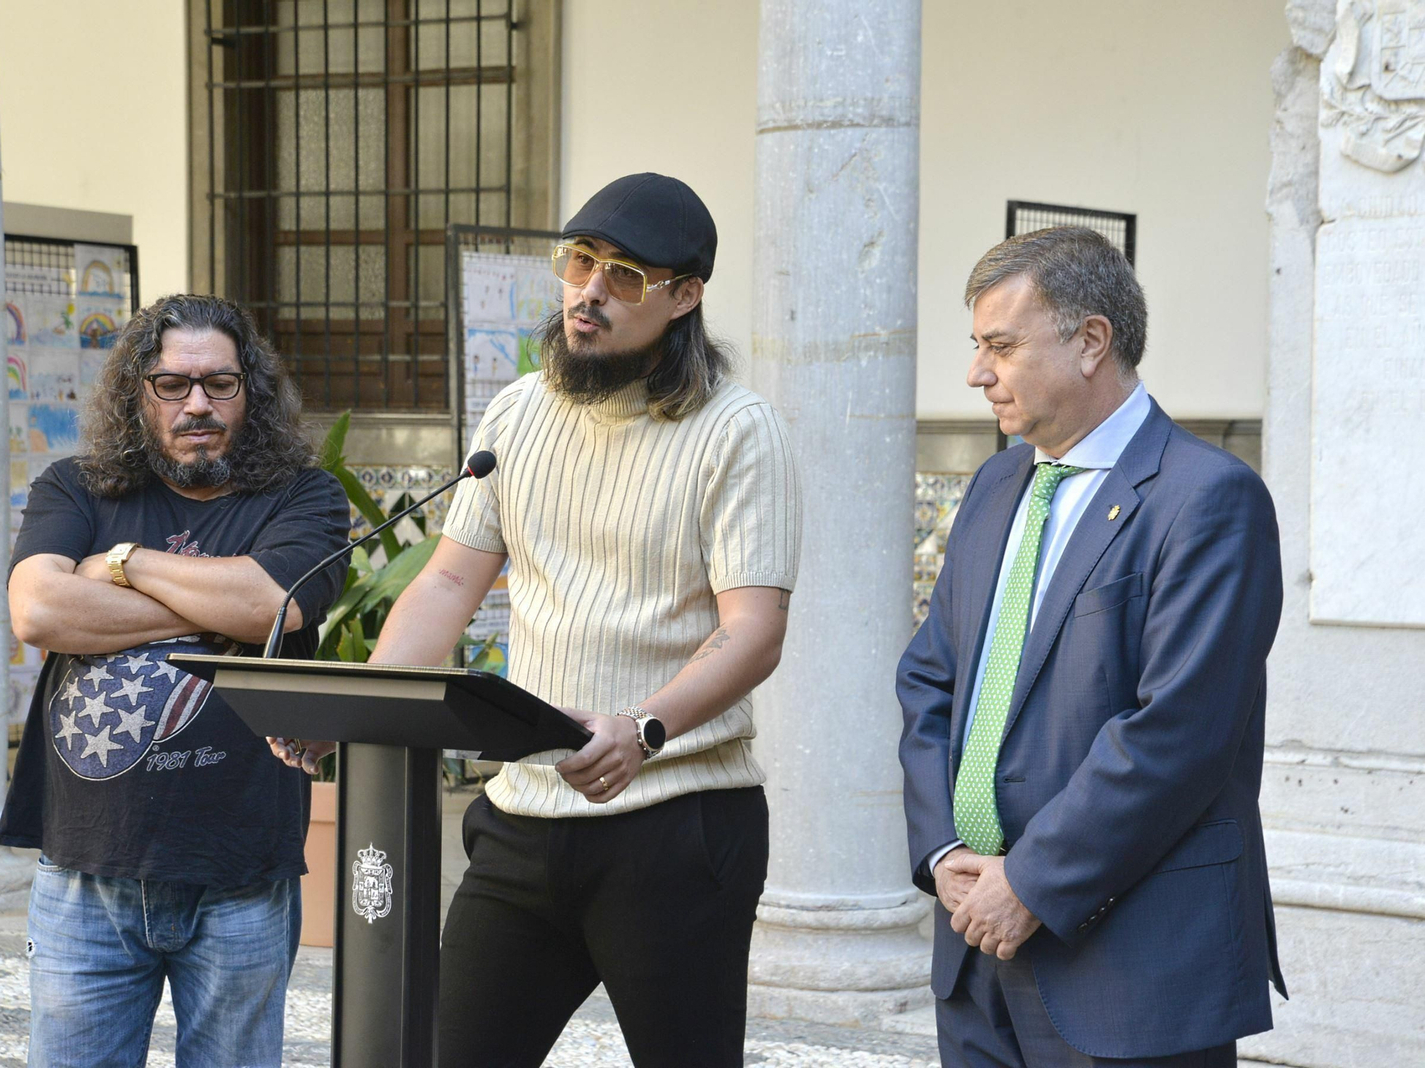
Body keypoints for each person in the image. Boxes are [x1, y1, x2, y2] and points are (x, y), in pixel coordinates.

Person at [272, 172, 802, 1067]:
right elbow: (447, 584)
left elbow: (754, 629)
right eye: (580, 261)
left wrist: (643, 728)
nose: (590, 290)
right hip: (525, 816)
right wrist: (352, 708)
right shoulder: (518, 412)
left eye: (625, 276)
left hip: (676, 825)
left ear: (684, 296)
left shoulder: (739, 430)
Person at [897, 227, 1287, 1067]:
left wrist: (1030, 883)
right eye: (977, 347)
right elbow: (931, 679)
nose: (976, 373)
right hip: (972, 957)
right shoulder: (999, 484)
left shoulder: (1209, 499)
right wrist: (946, 851)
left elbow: (1178, 733)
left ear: (1090, 341)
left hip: (1130, 972)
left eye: (1000, 346)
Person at [0, 294, 351, 1068]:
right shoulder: (77, 487)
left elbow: (273, 603)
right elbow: (39, 609)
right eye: (172, 384)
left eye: (220, 384)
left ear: (249, 393)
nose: (197, 403)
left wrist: (125, 566)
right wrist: (213, 615)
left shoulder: (305, 497)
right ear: (137, 394)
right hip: (86, 872)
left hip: (240, 874)